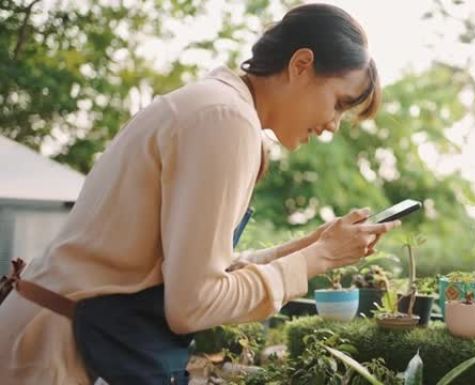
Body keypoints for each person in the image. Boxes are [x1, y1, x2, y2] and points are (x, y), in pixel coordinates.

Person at [0, 3, 399, 384]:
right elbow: (193, 305)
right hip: (55, 354)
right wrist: (319, 257)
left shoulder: (218, 107)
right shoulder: (225, 120)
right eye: (339, 104)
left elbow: (196, 271)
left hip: (66, 341)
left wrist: (308, 248)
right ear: (300, 65)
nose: (332, 126)